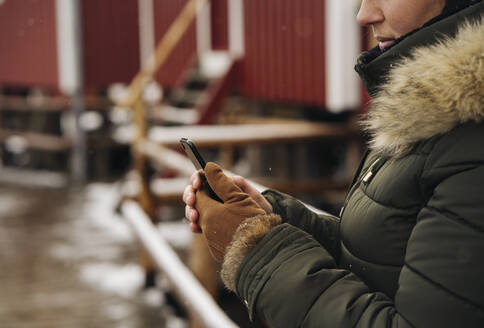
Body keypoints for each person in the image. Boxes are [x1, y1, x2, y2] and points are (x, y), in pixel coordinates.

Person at [183, 0, 484, 326]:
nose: (364, 14)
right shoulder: (432, 122)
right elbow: (374, 261)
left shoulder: (469, 148)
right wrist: (271, 219)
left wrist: (258, 249)